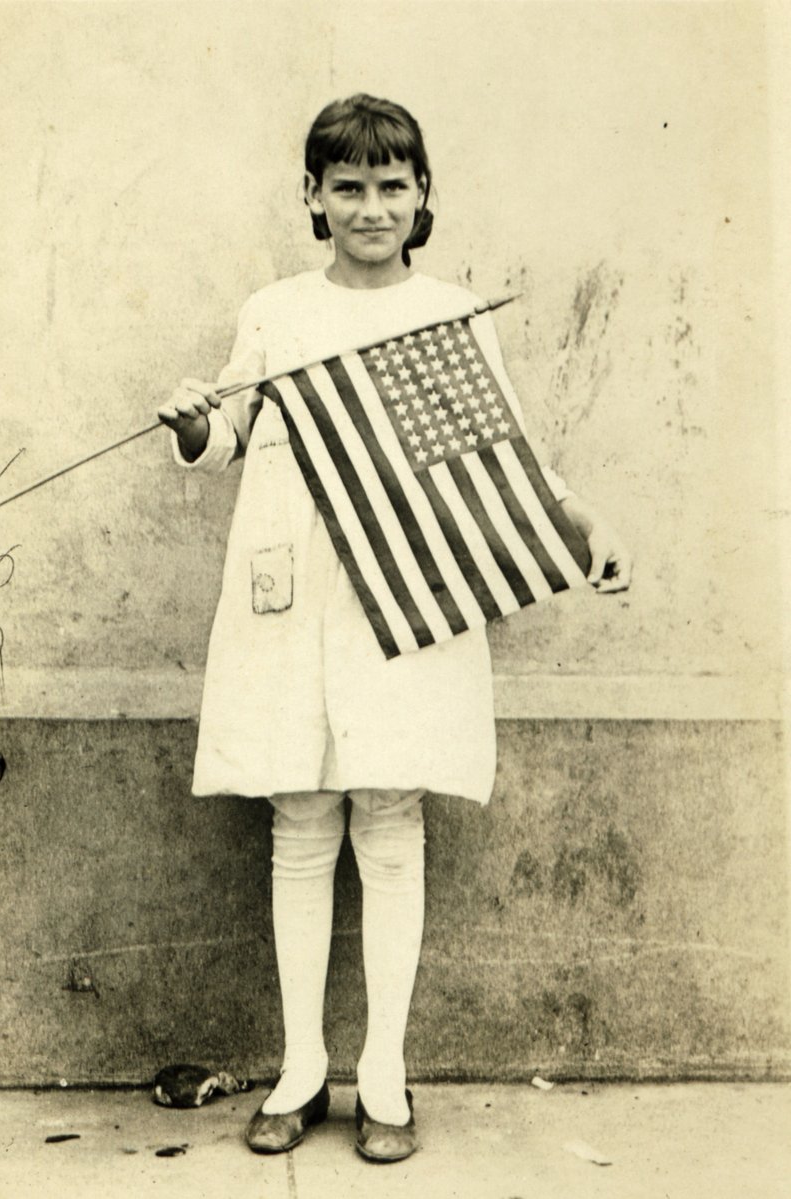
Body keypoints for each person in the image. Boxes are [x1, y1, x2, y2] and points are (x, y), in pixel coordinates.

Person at [158, 93, 631, 1163]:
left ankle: (384, 1071)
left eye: (391, 186)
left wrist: (583, 522)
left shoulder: (448, 314)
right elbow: (229, 427)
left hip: (406, 598)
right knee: (299, 823)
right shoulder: (275, 311)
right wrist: (198, 421)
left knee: (390, 820)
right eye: (348, 187)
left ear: (422, 199)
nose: (370, 206)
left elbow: (503, 461)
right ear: (313, 199)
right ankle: (300, 1065)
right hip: (295, 594)